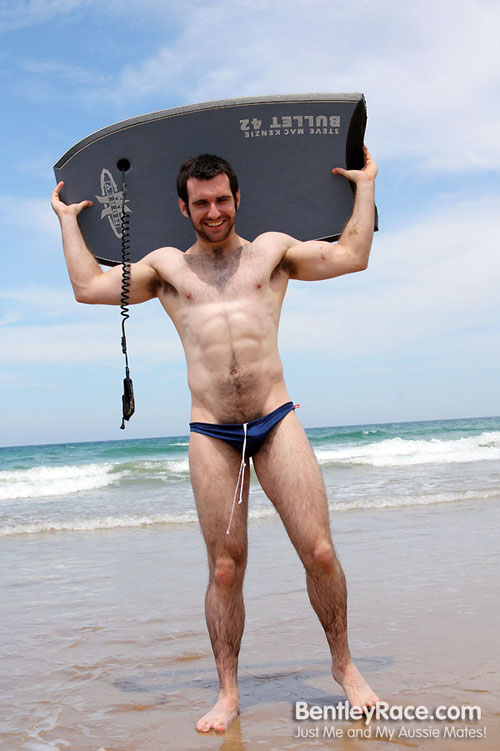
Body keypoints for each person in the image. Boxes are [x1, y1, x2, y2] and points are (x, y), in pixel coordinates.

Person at [51, 147, 380, 733]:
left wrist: (366, 184)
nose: (214, 211)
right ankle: (228, 693)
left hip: (275, 418)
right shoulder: (166, 268)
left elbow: (353, 255)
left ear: (237, 198)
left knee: (320, 552)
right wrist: (68, 222)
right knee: (225, 569)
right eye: (201, 203)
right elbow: (89, 287)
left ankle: (345, 667)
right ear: (184, 207)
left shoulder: (273, 252)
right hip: (212, 431)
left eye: (222, 199)